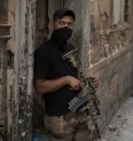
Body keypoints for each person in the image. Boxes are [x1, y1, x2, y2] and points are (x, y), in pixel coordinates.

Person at [34, 8, 99, 141]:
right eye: (61, 23)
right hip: (59, 119)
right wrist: (66, 79)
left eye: (69, 24)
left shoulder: (71, 48)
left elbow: (75, 79)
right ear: (54, 24)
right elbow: (39, 87)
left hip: (80, 113)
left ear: (73, 26)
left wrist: (87, 81)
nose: (65, 27)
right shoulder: (43, 51)